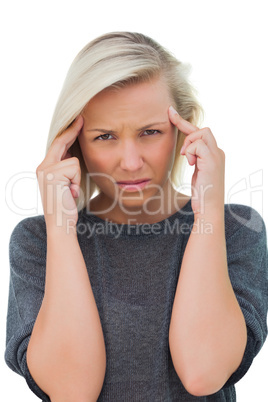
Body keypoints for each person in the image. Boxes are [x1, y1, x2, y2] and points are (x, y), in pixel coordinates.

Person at [4, 31, 268, 402]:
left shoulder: (236, 231)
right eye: (105, 137)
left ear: (183, 130)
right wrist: (62, 228)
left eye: (150, 132)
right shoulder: (38, 241)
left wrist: (207, 209)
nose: (130, 163)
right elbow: (71, 391)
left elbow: (203, 372)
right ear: (73, 142)